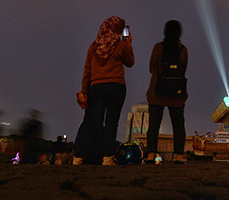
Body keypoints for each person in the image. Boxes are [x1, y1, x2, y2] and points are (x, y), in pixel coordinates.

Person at [73, 16, 134, 165]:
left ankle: (78, 156)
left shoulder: (93, 47)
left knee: (91, 122)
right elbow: (130, 62)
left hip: (96, 87)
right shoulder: (120, 46)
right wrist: (129, 44)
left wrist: (84, 91)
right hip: (116, 86)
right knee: (112, 122)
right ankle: (107, 157)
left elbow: (87, 70)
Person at [145, 20, 188, 164]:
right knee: (178, 125)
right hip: (177, 93)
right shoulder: (183, 49)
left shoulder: (158, 47)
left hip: (157, 91)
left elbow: (151, 66)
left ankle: (151, 154)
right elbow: (183, 69)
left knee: (154, 125)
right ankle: (179, 156)